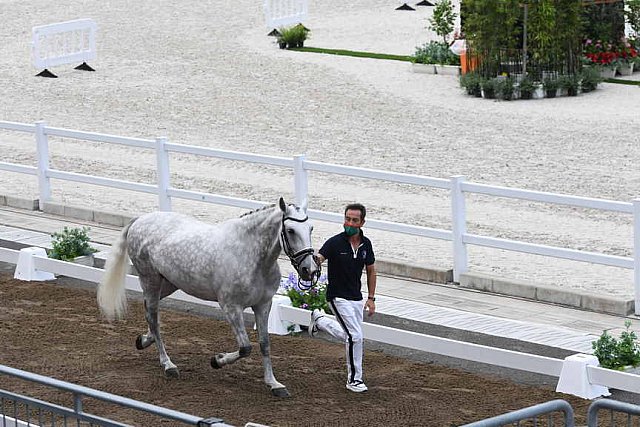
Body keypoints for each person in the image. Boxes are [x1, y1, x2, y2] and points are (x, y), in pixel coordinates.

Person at [309, 202, 377, 393]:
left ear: (362, 222)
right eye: (347, 219)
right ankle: (354, 380)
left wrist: (371, 298)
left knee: (350, 336)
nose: (349, 223)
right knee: (356, 336)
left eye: (354, 220)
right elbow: (319, 258)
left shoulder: (366, 244)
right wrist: (313, 262)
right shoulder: (334, 242)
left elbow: (371, 271)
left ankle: (320, 321)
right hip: (337, 297)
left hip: (356, 297)